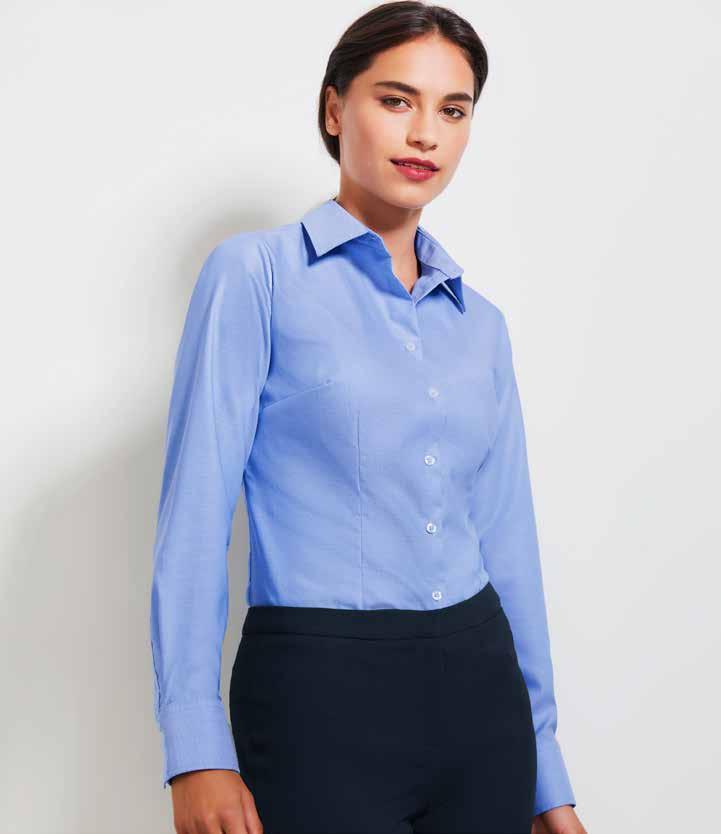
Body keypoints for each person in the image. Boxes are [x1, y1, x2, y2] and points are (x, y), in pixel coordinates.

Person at [149, 3, 588, 833]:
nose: (424, 133)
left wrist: (545, 770)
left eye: (452, 110)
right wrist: (196, 746)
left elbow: (507, 542)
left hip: (482, 701)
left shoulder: (480, 324)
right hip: (317, 698)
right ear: (333, 109)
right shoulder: (255, 276)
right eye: (395, 100)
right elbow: (194, 517)